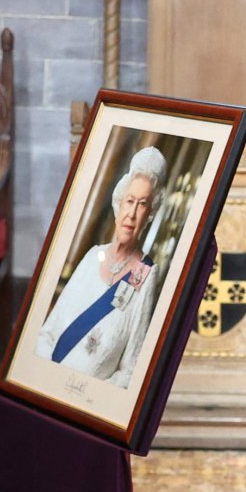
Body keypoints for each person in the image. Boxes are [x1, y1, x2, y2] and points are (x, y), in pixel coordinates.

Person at [35, 145, 167, 388]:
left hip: (87, 405)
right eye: (129, 201)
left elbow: (131, 370)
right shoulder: (92, 256)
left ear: (150, 214)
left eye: (142, 204)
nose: (132, 213)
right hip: (47, 385)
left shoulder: (145, 275)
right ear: (118, 204)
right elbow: (47, 333)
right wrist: (47, 382)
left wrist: (89, 397)